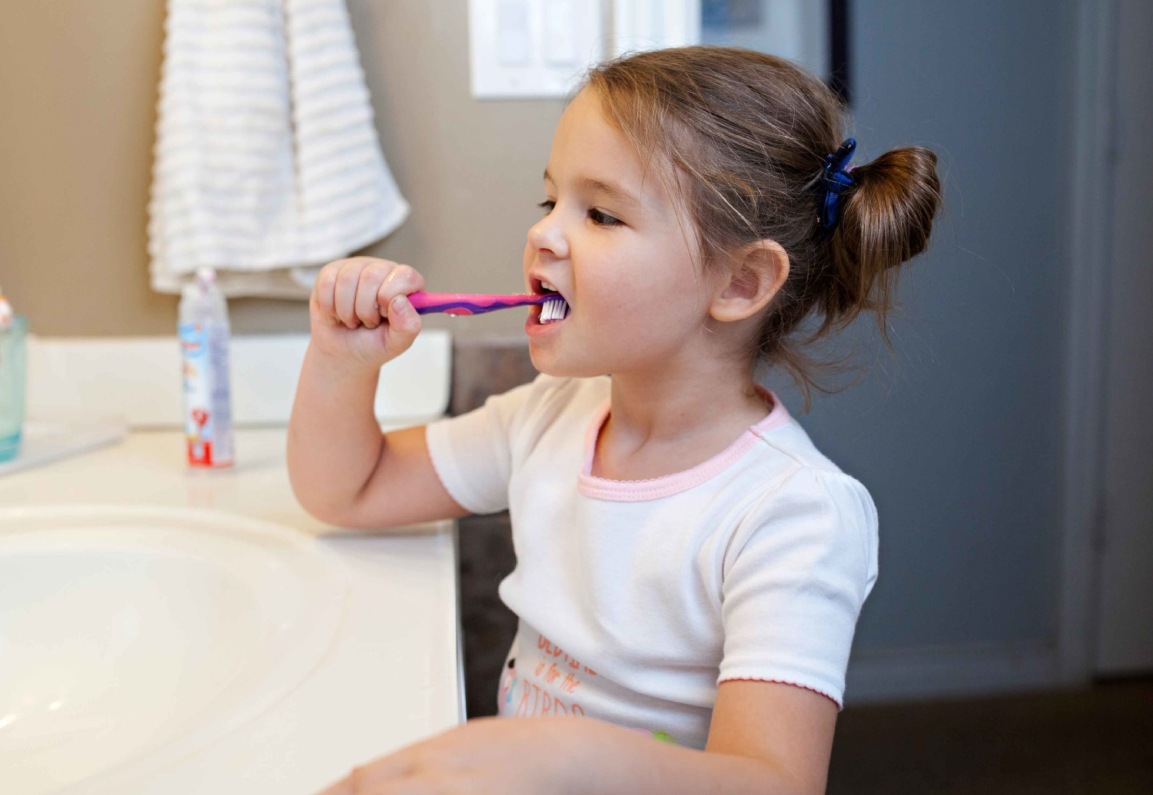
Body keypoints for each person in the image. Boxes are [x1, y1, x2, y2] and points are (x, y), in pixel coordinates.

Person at [289, 45, 940, 795]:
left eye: (600, 213)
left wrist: (564, 756)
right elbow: (350, 488)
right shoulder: (549, 418)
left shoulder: (792, 515)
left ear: (740, 281)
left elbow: (775, 782)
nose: (544, 234)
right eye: (550, 202)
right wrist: (341, 362)